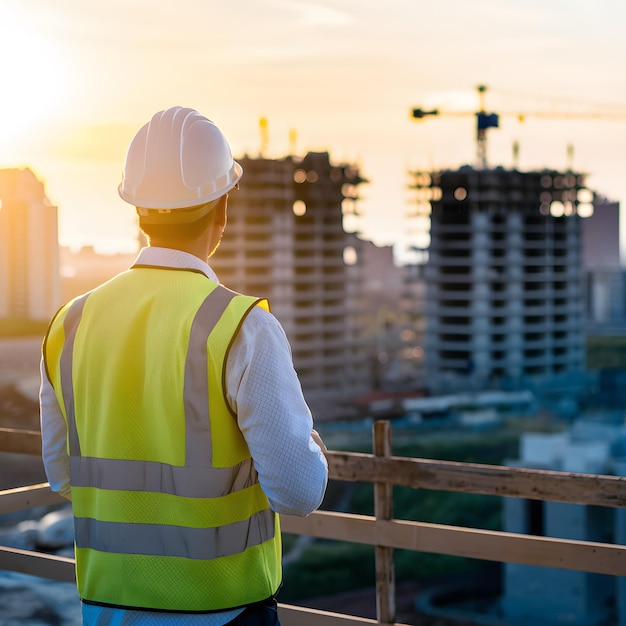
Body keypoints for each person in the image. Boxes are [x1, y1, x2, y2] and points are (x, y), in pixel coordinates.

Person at [39, 106, 329, 625]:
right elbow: (298, 492)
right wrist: (313, 450)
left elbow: (63, 475)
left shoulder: (70, 324)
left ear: (138, 210)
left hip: (108, 610)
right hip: (222, 610)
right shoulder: (241, 327)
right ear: (222, 209)